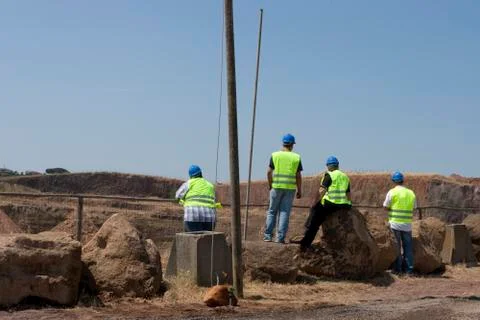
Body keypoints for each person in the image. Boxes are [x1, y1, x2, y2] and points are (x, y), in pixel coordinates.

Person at [298, 156, 351, 252]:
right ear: (337, 165)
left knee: (314, 222)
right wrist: (349, 204)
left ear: (328, 166)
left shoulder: (329, 175)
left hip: (329, 204)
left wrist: (320, 200)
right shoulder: (345, 176)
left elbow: (322, 190)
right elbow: (348, 194)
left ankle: (305, 243)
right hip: (343, 204)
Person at [263, 133, 303, 243]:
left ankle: (267, 236)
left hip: (276, 187)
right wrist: (299, 190)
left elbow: (268, 172)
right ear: (292, 145)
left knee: (272, 211)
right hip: (290, 189)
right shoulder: (296, 157)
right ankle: (280, 238)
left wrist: (270, 184)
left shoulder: (275, 155)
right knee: (284, 212)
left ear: (283, 143)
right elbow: (298, 176)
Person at [383, 171, 416, 275]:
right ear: (403, 180)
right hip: (407, 224)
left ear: (393, 181)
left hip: (395, 224)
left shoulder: (392, 192)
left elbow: (385, 206)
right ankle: (409, 269)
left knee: (396, 247)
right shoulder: (411, 193)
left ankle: (398, 269)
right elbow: (414, 208)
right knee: (408, 248)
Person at [175, 165, 219, 232]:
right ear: (201, 173)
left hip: (192, 216)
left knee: (191, 239)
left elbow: (177, 196)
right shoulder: (210, 185)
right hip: (210, 218)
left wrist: (181, 201)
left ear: (190, 176)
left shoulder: (189, 183)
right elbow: (215, 200)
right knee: (208, 240)